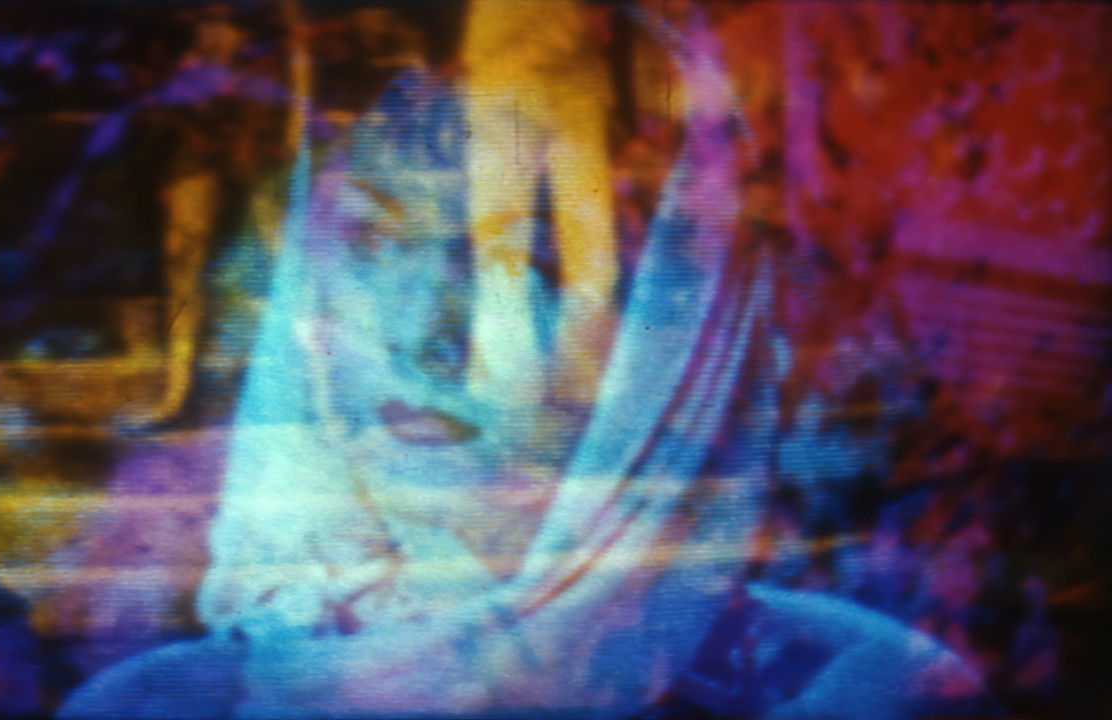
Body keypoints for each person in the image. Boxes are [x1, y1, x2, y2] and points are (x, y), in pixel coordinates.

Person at [60, 3, 989, 718]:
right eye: (374, 242)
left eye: (540, 260)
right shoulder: (163, 705)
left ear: (692, 337)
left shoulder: (867, 691)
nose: (421, 328)